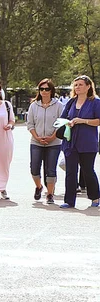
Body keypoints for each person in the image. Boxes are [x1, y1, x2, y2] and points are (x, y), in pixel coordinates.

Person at [59, 75, 100, 208]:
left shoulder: (95, 102)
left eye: (81, 85)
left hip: (88, 142)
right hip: (70, 142)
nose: (77, 87)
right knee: (71, 171)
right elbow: (62, 118)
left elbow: (98, 121)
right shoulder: (71, 102)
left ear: (88, 86)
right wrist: (68, 122)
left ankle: (95, 197)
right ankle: (69, 201)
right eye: (76, 85)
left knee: (88, 170)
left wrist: (83, 121)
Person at [26, 79, 64, 204]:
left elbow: (61, 124)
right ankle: (39, 186)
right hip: (36, 142)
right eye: (41, 89)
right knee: (34, 168)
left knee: (51, 169)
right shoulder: (34, 105)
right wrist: (36, 137)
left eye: (47, 89)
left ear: (51, 90)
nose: (44, 91)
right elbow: (30, 124)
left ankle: (50, 194)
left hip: (54, 142)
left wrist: (53, 136)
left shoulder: (58, 105)